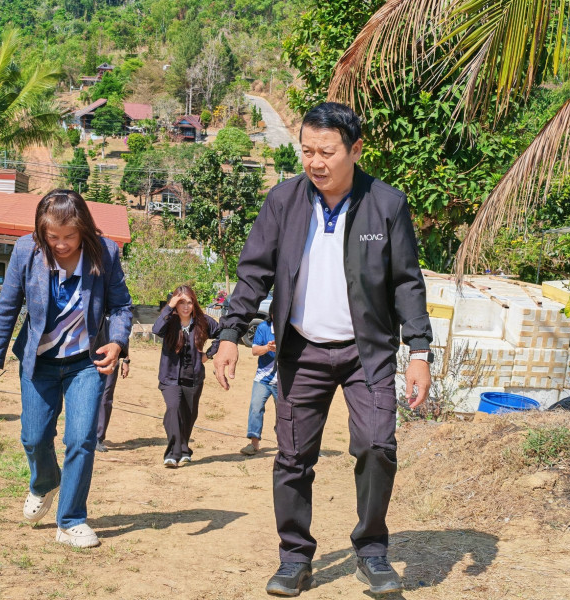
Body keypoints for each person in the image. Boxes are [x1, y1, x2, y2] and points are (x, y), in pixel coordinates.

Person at [212, 102, 433, 596]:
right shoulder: (284, 201)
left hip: (367, 353)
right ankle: (295, 558)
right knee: (293, 457)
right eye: (307, 151)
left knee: (377, 445)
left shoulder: (386, 204)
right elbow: (254, 273)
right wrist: (229, 334)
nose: (315, 162)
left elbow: (407, 282)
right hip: (301, 351)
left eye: (327, 152)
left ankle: (371, 552)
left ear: (355, 150)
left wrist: (419, 351)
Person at [0, 189, 132, 549]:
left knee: (81, 439)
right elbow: (8, 307)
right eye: (53, 237)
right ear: (41, 232)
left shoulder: (105, 253)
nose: (61, 245)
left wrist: (118, 342)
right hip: (39, 362)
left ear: (84, 230)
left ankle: (71, 520)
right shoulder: (25, 251)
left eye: (70, 236)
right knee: (33, 438)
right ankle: (45, 482)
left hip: (86, 363)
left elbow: (122, 306)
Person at [152, 285, 220, 467]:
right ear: (175, 303)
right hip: (170, 377)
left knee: (189, 415)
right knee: (173, 408)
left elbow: (223, 334)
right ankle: (172, 454)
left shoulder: (202, 321)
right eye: (181, 302)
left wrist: (209, 354)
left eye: (189, 302)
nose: (185, 307)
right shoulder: (169, 320)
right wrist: (169, 306)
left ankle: (184, 449)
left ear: (194, 303)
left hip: (194, 377)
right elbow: (156, 329)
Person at [240, 304, 278, 456]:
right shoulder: (263, 327)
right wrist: (268, 348)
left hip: (283, 380)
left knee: (284, 413)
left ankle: (284, 443)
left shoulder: (291, 329)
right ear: (271, 313)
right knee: (256, 408)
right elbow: (255, 350)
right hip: (262, 378)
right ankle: (254, 443)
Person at [95, 352, 131, 453]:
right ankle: (81, 434)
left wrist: (126, 361)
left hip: (111, 360)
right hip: (88, 359)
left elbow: (124, 342)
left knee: (105, 398)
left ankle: (98, 437)